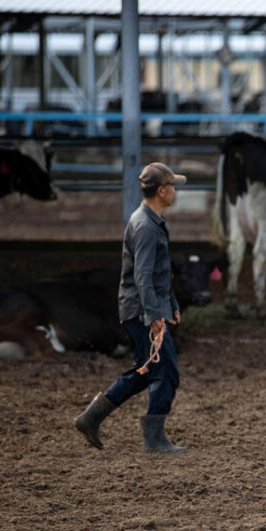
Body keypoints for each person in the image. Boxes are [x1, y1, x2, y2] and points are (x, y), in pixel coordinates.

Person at [74, 162, 188, 453]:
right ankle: (154, 438)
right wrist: (153, 316)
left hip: (144, 307)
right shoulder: (146, 227)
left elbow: (160, 275)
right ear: (161, 191)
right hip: (141, 310)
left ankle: (92, 417)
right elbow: (142, 276)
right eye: (172, 186)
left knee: (147, 370)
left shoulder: (151, 221)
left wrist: (171, 304)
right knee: (166, 372)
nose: (175, 191)